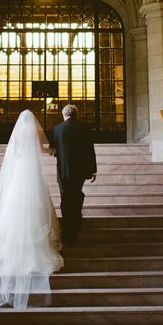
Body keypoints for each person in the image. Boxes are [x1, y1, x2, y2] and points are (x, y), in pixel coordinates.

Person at [0, 109, 63, 309]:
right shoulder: (33, 133)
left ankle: (14, 245)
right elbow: (40, 150)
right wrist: (54, 151)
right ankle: (35, 247)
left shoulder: (17, 134)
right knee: (36, 202)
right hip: (31, 169)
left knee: (16, 202)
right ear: (34, 122)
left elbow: (11, 153)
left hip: (20, 168)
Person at [49, 104, 97, 245]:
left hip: (64, 170)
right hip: (81, 170)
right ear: (77, 114)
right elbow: (90, 150)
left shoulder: (57, 129)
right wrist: (93, 169)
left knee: (66, 196)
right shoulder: (85, 128)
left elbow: (53, 149)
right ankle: (76, 221)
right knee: (77, 193)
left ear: (64, 115)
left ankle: (68, 226)